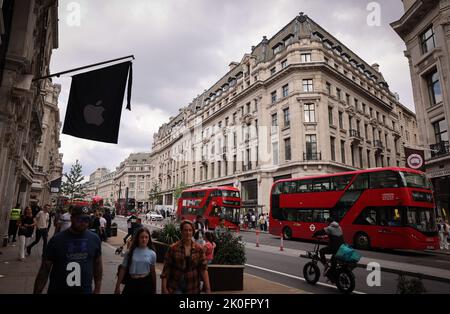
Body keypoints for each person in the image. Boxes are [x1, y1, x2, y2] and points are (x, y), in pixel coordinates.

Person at [33, 206, 103, 294]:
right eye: (79, 219)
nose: (83, 223)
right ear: (71, 219)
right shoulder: (56, 240)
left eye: (86, 220)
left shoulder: (94, 239)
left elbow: (98, 265)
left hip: (84, 290)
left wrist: (97, 288)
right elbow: (44, 269)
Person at [161, 220, 211, 294]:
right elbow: (166, 269)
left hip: (193, 286)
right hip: (176, 285)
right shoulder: (173, 248)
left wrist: (208, 288)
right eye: (185, 230)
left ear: (193, 232)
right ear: (181, 231)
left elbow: (203, 269)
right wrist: (164, 288)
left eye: (190, 230)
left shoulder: (199, 249)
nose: (188, 233)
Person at [115, 227, 157, 294]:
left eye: (146, 237)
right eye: (141, 237)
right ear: (137, 238)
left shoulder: (152, 254)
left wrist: (155, 288)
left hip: (146, 284)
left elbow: (153, 271)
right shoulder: (129, 253)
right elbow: (123, 269)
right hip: (131, 283)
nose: (144, 239)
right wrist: (117, 286)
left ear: (149, 239)